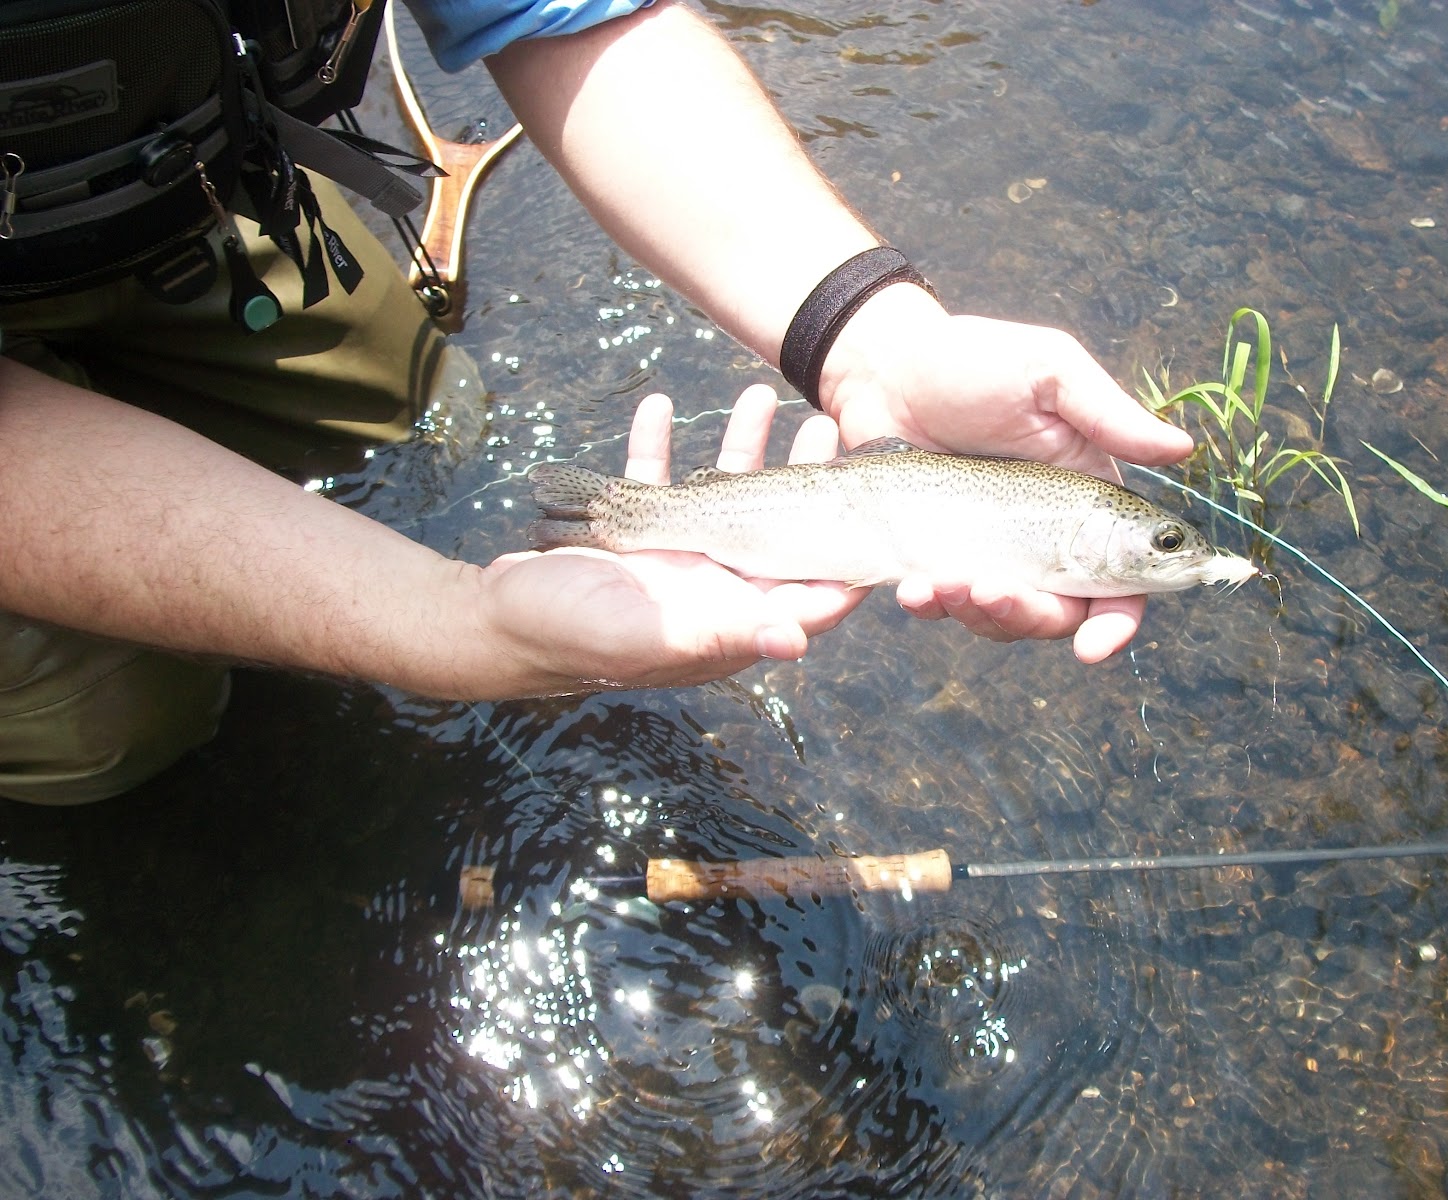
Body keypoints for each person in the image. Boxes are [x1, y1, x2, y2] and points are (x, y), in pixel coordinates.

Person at [0, 0, 1193, 805]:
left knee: (426, 414)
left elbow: (566, 15)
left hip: (175, 195)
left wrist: (868, 338)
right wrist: (454, 627)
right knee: (120, 713)